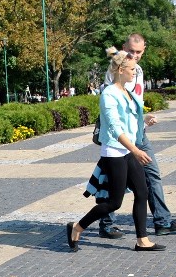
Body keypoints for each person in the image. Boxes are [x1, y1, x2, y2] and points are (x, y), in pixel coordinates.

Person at [69, 48, 164, 252]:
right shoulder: (109, 94)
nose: (134, 73)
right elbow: (114, 127)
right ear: (120, 70)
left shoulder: (127, 92)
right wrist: (136, 151)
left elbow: (128, 120)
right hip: (114, 152)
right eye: (132, 69)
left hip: (127, 150)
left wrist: (144, 120)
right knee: (114, 203)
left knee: (142, 192)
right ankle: (77, 227)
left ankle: (142, 240)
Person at [96, 33, 176, 239]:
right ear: (123, 47)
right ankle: (106, 224)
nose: (134, 55)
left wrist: (143, 118)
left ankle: (162, 222)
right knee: (114, 182)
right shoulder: (116, 70)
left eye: (138, 52)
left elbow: (132, 103)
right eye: (130, 51)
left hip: (139, 134)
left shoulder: (138, 71)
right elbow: (114, 107)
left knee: (152, 175)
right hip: (121, 139)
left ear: (144, 50)